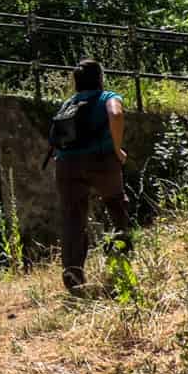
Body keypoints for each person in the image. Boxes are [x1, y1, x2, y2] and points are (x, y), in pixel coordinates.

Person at [53, 59, 133, 293]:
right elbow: (116, 115)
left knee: (72, 219)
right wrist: (117, 150)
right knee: (116, 206)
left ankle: (74, 279)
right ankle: (120, 263)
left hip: (66, 164)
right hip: (101, 160)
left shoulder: (69, 103)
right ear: (100, 78)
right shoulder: (108, 97)